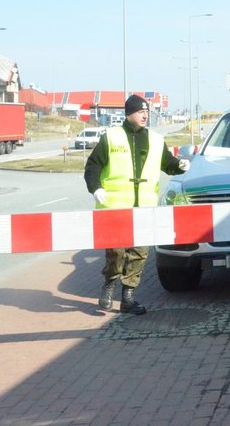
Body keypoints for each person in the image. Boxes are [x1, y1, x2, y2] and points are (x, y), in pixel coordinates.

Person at [84, 94, 189, 314]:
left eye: (147, 112)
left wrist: (179, 165)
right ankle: (109, 285)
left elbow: (167, 163)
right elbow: (92, 166)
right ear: (129, 113)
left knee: (139, 253)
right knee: (116, 251)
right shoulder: (111, 137)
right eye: (140, 111)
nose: (145, 115)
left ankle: (128, 298)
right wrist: (96, 188)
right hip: (116, 208)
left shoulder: (155, 139)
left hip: (144, 207)